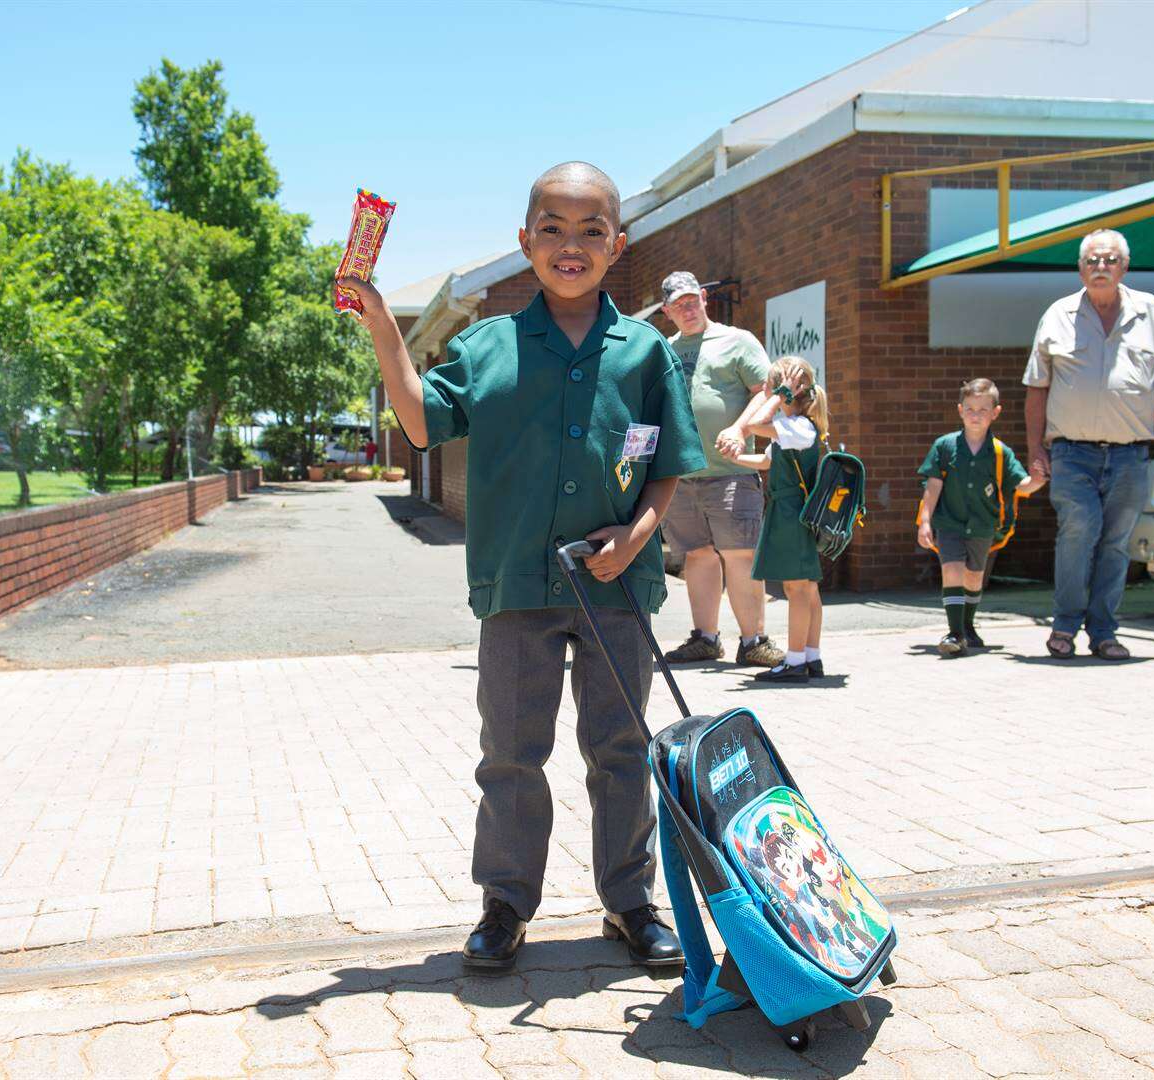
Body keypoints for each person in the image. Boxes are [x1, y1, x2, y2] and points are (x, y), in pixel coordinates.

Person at [335, 162, 702, 974]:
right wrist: (380, 324)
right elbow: (423, 423)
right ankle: (505, 904)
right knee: (510, 753)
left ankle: (629, 902)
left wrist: (637, 540)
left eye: (590, 231)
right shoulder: (486, 346)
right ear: (524, 240)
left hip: (618, 591)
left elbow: (669, 465)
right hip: (514, 588)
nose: (570, 246)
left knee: (620, 750)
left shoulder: (644, 353)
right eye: (552, 229)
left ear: (618, 243)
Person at [1024, 229, 1154, 661]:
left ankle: (1103, 631)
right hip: (1071, 451)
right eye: (1093, 261)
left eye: (1110, 260)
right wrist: (1035, 449)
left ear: (1125, 267)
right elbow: (1037, 388)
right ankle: (1064, 627)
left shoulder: (1151, 312)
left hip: (1129, 453)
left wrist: (1141, 419)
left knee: (1116, 542)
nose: (1101, 267)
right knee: (1079, 531)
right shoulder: (1058, 314)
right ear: (1080, 268)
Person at [657, 271, 785, 669]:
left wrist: (741, 427)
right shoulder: (665, 349)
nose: (688, 308)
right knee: (696, 556)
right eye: (679, 304)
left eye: (693, 299)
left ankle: (754, 642)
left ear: (705, 300)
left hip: (731, 470)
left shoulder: (737, 340)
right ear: (667, 311)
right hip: (682, 474)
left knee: (740, 555)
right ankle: (705, 639)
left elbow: (767, 390)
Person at [917, 378, 1044, 658]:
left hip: (983, 524)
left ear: (995, 412)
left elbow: (1021, 486)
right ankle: (954, 632)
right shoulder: (945, 446)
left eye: (983, 409)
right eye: (970, 409)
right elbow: (933, 485)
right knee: (952, 570)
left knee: (974, 577)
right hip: (949, 522)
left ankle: (967, 625)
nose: (976, 415)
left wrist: (1037, 480)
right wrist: (925, 521)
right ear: (960, 410)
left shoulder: (1000, 452)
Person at [717, 357, 827, 682]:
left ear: (789, 390)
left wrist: (777, 395)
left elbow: (753, 426)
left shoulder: (798, 426)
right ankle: (811, 657)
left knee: (797, 589)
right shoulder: (796, 429)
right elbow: (768, 461)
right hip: (791, 512)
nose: (765, 392)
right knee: (808, 590)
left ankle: (795, 663)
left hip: (792, 514)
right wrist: (737, 457)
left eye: (769, 385)